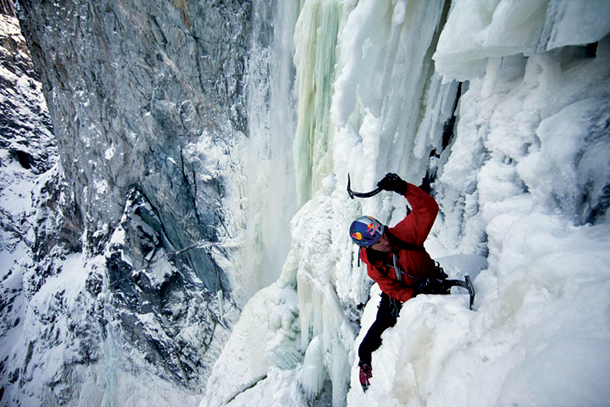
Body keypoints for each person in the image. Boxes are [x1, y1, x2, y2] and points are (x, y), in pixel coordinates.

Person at [350, 173, 470, 392]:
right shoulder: (373, 268)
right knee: (375, 332)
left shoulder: (404, 236)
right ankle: (364, 363)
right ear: (367, 247)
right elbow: (391, 288)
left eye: (383, 234)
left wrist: (403, 188)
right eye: (378, 241)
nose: (385, 240)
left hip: (431, 280)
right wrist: (415, 296)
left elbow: (428, 209)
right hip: (401, 292)